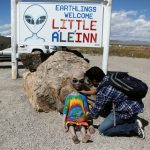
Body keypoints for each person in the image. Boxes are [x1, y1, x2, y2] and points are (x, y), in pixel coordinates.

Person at [80, 66, 145, 139]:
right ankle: (133, 118)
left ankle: (134, 128)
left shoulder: (104, 92)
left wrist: (82, 118)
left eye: (89, 81)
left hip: (126, 110)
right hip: (135, 105)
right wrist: (84, 92)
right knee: (105, 109)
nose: (89, 83)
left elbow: (94, 113)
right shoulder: (108, 77)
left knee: (103, 130)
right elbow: (97, 91)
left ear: (94, 80)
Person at [62, 70, 95, 144]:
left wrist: (89, 120)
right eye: (75, 80)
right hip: (71, 118)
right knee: (70, 125)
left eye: (81, 81)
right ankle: (74, 136)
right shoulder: (69, 97)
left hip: (81, 117)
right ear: (71, 81)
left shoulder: (83, 96)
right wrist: (63, 123)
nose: (78, 83)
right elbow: (65, 111)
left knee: (82, 126)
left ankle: (84, 136)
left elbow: (86, 109)